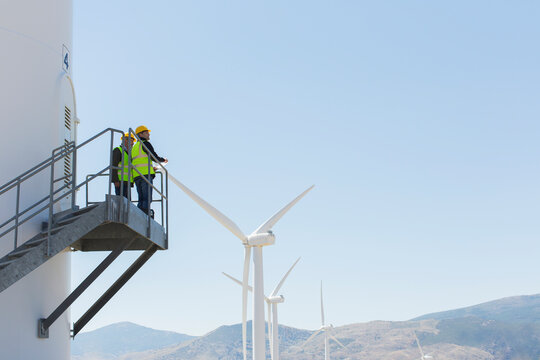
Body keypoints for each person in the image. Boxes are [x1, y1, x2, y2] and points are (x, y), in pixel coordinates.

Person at [131, 125, 168, 217]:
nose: (149, 134)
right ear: (141, 134)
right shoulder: (145, 144)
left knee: (141, 198)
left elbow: (140, 160)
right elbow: (153, 156)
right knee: (147, 198)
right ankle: (144, 216)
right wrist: (163, 160)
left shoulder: (135, 147)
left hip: (136, 175)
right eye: (147, 132)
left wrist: (153, 168)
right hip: (145, 175)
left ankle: (139, 214)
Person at [112, 132, 135, 198]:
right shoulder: (118, 150)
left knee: (127, 203)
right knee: (122, 202)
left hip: (127, 182)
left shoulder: (129, 154)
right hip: (120, 181)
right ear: (125, 140)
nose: (133, 143)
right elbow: (113, 166)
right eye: (131, 141)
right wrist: (115, 180)